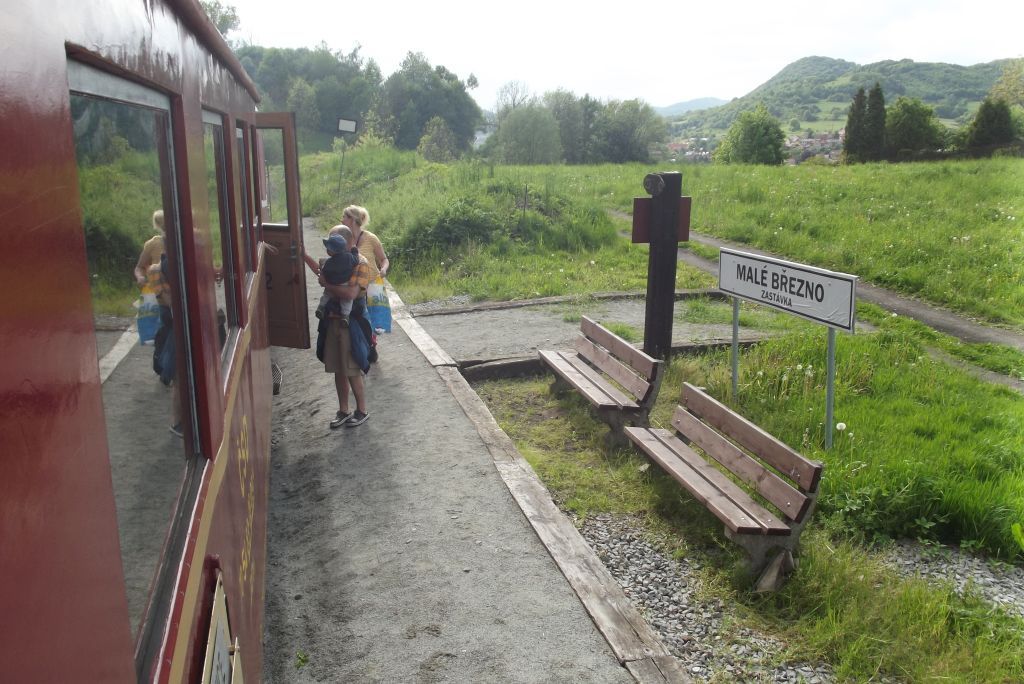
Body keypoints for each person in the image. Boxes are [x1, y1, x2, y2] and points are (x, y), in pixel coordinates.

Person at [133, 210, 183, 437]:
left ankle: (166, 369)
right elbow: (140, 267)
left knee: (170, 335)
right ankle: (165, 369)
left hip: (174, 300)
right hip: (162, 299)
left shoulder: (186, 239)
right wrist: (141, 278)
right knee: (168, 334)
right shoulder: (153, 245)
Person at [320, 225, 371, 429]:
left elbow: (350, 294)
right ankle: (344, 410)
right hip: (333, 320)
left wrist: (327, 285)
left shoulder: (361, 263)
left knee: (351, 368)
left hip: (351, 323)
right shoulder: (337, 261)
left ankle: (362, 410)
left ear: (346, 242)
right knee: (338, 368)